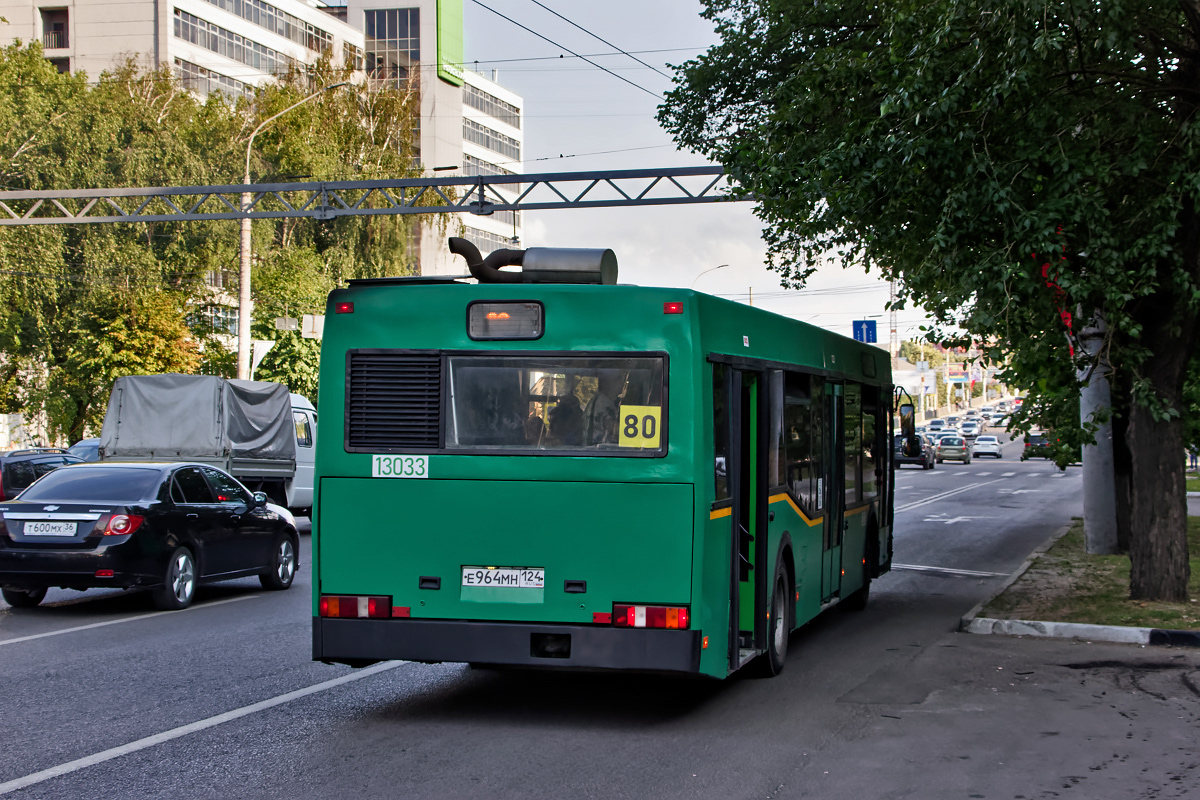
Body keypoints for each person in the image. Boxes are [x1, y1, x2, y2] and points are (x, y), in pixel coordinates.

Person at [583, 372, 623, 445]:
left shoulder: (596, 400)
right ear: (608, 383)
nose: (622, 383)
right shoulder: (604, 404)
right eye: (618, 379)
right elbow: (614, 428)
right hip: (600, 448)